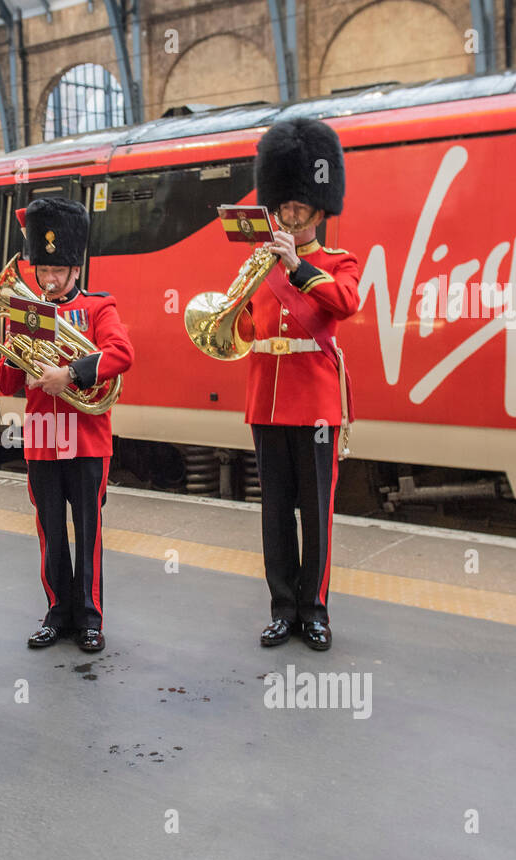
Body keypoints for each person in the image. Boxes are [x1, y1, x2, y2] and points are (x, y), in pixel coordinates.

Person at [238, 118, 360, 652]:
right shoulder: (257, 266)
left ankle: (315, 611)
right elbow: (246, 330)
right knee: (274, 517)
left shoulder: (337, 263)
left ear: (318, 211)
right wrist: (231, 316)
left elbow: (346, 303)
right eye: (283, 207)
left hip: (315, 406)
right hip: (266, 402)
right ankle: (283, 609)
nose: (289, 215)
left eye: (299, 208)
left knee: (316, 515)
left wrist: (296, 269)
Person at [0, 197, 134, 653]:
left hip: (88, 439)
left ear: (76, 270)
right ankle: (57, 612)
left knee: (88, 531)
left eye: (58, 271)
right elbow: (5, 381)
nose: (49, 279)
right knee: (51, 531)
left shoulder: (98, 307)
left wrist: (71, 373)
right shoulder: (26, 309)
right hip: (41, 440)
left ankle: (90, 618)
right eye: (44, 270)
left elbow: (121, 355)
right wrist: (12, 340)